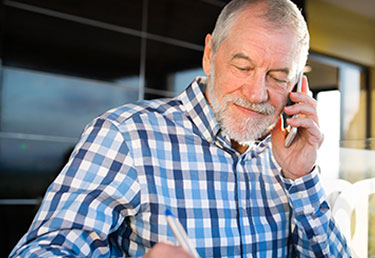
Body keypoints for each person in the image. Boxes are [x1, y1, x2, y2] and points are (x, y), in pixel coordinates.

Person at [9, 0, 351, 257]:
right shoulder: (126, 135)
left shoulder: (289, 156)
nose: (256, 93)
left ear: (297, 85)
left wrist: (302, 179)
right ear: (209, 55)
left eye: (277, 77)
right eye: (242, 66)